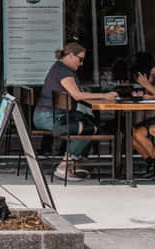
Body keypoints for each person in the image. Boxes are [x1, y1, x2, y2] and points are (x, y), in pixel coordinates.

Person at [37, 42, 116, 180]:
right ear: (70, 55)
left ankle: (72, 162)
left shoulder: (62, 69)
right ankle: (64, 166)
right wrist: (105, 95)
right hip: (50, 118)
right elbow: (77, 95)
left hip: (52, 116)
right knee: (88, 128)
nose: (81, 63)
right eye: (80, 59)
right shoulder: (63, 71)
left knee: (90, 126)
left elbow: (79, 92)